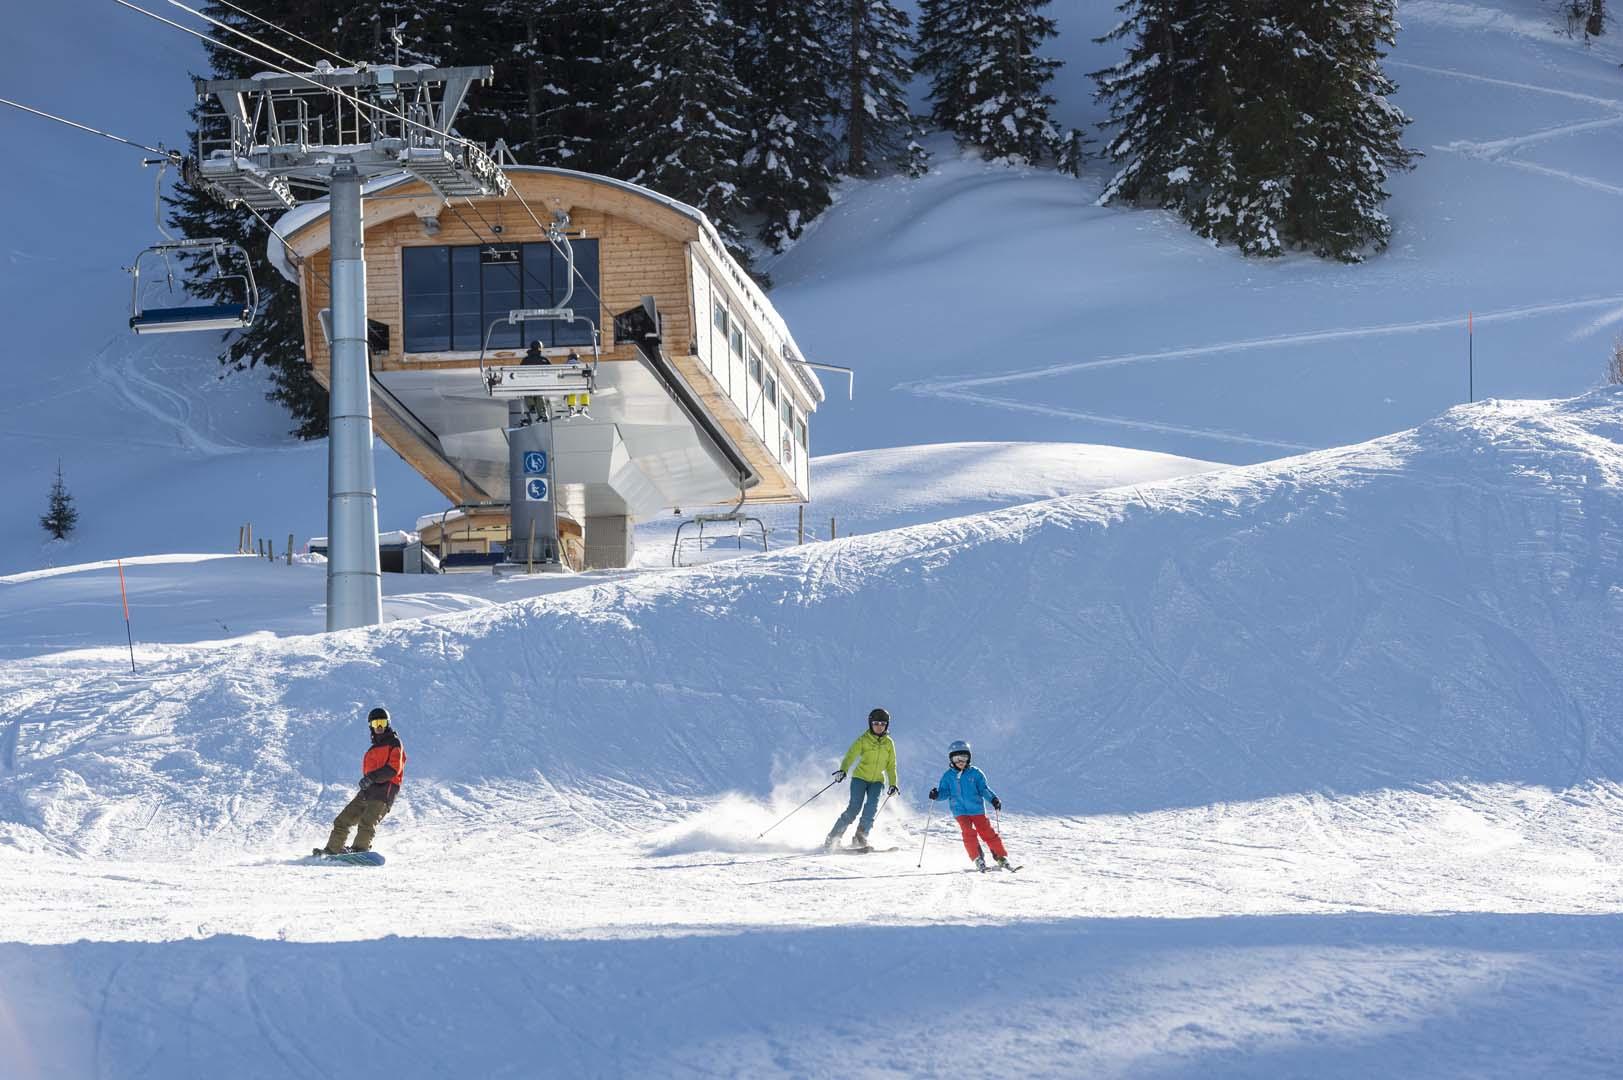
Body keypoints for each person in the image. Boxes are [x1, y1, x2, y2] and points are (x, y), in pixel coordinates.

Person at [317, 707, 406, 855]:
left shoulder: (394, 744)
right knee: (342, 820)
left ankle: (360, 850)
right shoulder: (373, 749)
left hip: (384, 792)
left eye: (382, 723)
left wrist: (371, 778)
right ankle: (333, 849)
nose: (379, 727)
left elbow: (393, 769)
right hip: (367, 792)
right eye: (376, 723)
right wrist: (367, 781)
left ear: (388, 724)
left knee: (367, 823)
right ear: (370, 725)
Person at [823, 708, 900, 851]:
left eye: (883, 724)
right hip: (860, 778)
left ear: (887, 725)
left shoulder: (889, 743)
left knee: (871, 809)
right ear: (871, 724)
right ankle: (833, 837)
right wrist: (843, 770)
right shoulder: (863, 740)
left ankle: (860, 837)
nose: (879, 726)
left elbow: (891, 765)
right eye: (876, 723)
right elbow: (851, 755)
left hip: (877, 781)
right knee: (854, 808)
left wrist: (893, 784)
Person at [928, 739, 1010, 871]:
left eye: (964, 757)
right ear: (951, 759)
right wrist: (936, 795)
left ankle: (1000, 856)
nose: (960, 761)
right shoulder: (948, 776)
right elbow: (944, 792)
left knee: (986, 831)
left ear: (969, 758)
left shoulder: (975, 773)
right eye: (957, 758)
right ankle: (978, 858)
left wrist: (993, 799)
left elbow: (984, 789)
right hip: (959, 811)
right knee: (968, 832)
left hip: (976, 809)